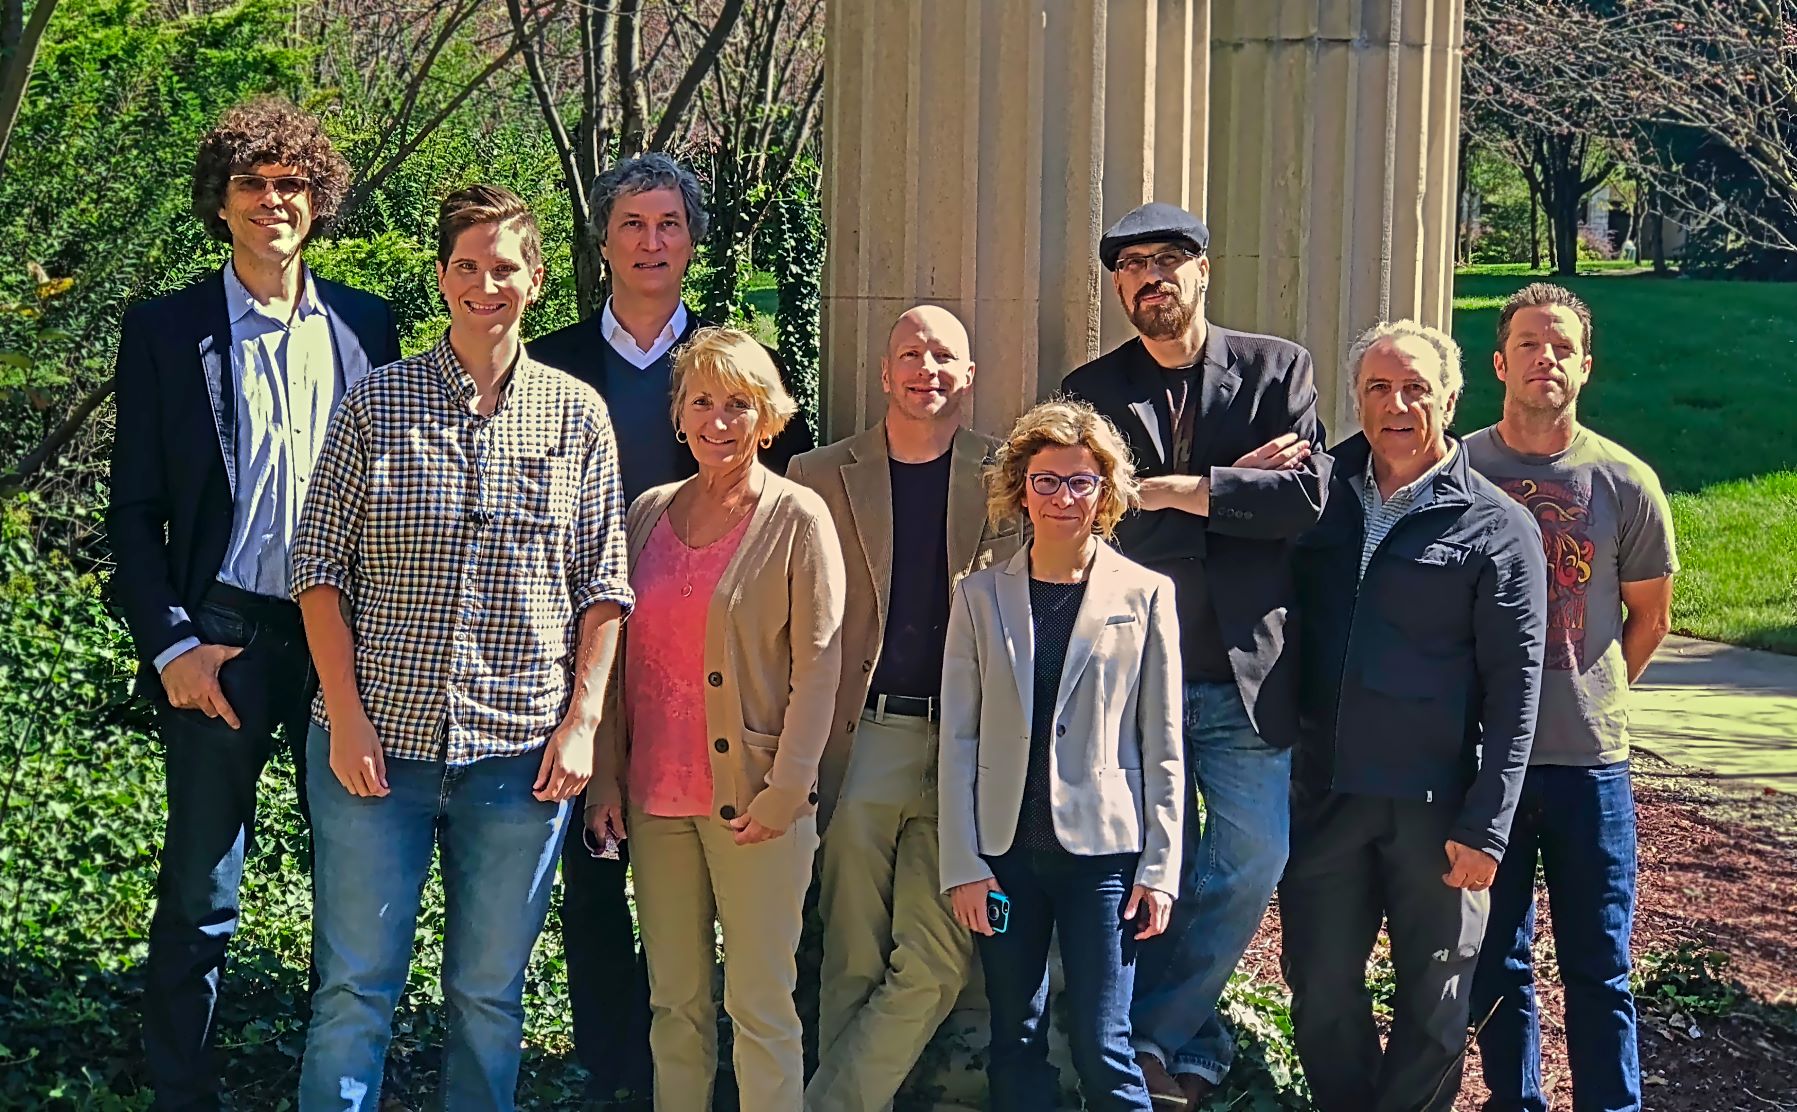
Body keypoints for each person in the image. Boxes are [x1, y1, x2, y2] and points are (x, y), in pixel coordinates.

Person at [290, 185, 632, 1111]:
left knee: (489, 997)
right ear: (443, 277)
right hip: (378, 752)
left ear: (538, 278)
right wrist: (346, 717)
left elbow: (603, 585)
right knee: (356, 990)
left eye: (505, 267)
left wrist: (583, 724)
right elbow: (317, 566)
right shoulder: (378, 402)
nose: (487, 283)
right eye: (469, 266)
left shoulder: (575, 416)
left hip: (518, 760)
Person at [106, 96, 401, 1111]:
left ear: (317, 201)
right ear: (220, 203)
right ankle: (184, 1093)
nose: (274, 201)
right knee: (203, 890)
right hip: (221, 637)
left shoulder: (369, 326)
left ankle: (339, 1086)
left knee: (355, 886)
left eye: (292, 185)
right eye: (252, 184)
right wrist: (173, 645)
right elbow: (133, 512)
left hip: (340, 646)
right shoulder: (166, 330)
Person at [526, 153, 813, 1102]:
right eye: (632, 225)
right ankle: (616, 1073)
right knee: (598, 886)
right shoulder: (552, 366)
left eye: (670, 225)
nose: (652, 242)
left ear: (692, 242)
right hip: (575, 672)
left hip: (728, 698)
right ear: (602, 241)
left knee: (748, 949)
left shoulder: (735, 370)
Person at [1059, 201, 1328, 1105]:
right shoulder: (1089, 391)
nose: (1151, 276)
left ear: (1203, 269)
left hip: (1246, 675)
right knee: (1145, 867)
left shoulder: (1274, 369)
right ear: (1117, 286)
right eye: (1132, 264)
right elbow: (1093, 517)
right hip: (1135, 676)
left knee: (1250, 858)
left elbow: (1303, 503)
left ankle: (1151, 1034)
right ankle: (1178, 1049)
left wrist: (1173, 490)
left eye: (1168, 258)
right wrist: (1229, 490)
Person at [1282, 320, 1547, 1112]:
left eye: (1414, 389)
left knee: (1434, 1008)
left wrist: (1488, 824)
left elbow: (1515, 683)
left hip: (1436, 808)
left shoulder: (1498, 527)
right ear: (1355, 397)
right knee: (1319, 993)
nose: (1395, 405)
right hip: (1325, 796)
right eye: (1376, 387)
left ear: (1450, 398)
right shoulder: (1316, 498)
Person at [585, 326, 845, 1111]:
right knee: (675, 1005)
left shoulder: (799, 517)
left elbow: (821, 663)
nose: (718, 420)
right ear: (679, 413)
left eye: (739, 404)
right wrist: (604, 783)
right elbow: (615, 660)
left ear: (767, 417)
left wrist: (786, 789)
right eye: (702, 401)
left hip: (755, 807)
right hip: (654, 801)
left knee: (760, 1009)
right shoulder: (646, 515)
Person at [788, 305, 1023, 1111]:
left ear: (969, 375)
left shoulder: (1008, 476)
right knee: (850, 947)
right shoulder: (818, 474)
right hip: (865, 733)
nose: (927, 369)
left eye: (944, 356)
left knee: (938, 956)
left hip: (968, 745)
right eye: (911, 354)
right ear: (885, 372)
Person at [939, 398, 1184, 1112]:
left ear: (1105, 493)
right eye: (1046, 481)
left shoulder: (1145, 596)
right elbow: (958, 738)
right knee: (1015, 1038)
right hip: (1005, 859)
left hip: (1103, 863)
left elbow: (1164, 743)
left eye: (1080, 482)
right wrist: (963, 864)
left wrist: (1160, 869)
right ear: (1020, 488)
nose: (1062, 498)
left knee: (1102, 1042)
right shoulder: (979, 597)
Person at [1467, 284, 1676, 1112]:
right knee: (1494, 962)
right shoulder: (1461, 470)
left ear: (1584, 368)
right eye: (1527, 344)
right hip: (1484, 767)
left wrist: (1593, 694)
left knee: (1599, 964)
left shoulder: (1624, 481)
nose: (1542, 359)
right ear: (1498, 363)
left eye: (1559, 347)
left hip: (1591, 766)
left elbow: (1648, 615)